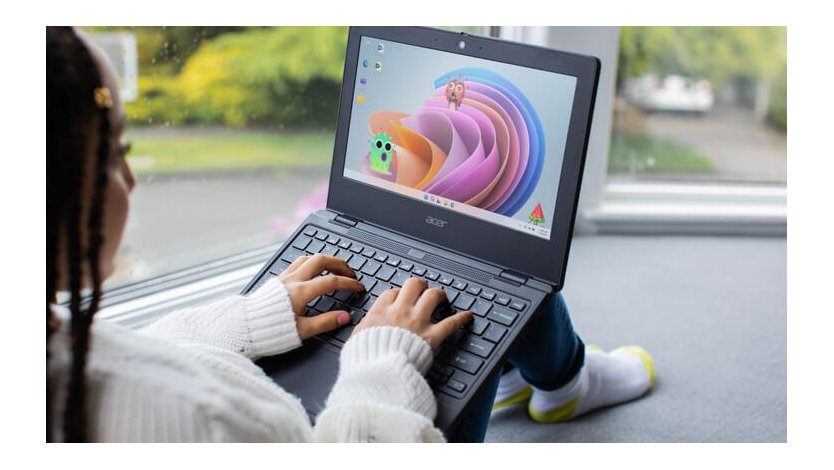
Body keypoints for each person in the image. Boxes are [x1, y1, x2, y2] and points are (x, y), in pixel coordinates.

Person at [46, 26, 655, 443]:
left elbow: (121, 347)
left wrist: (243, 321)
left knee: (485, 274)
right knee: (488, 279)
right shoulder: (201, 420)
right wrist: (385, 361)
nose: (128, 171)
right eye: (114, 146)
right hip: (357, 416)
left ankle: (558, 381)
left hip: (262, 371)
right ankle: (566, 382)